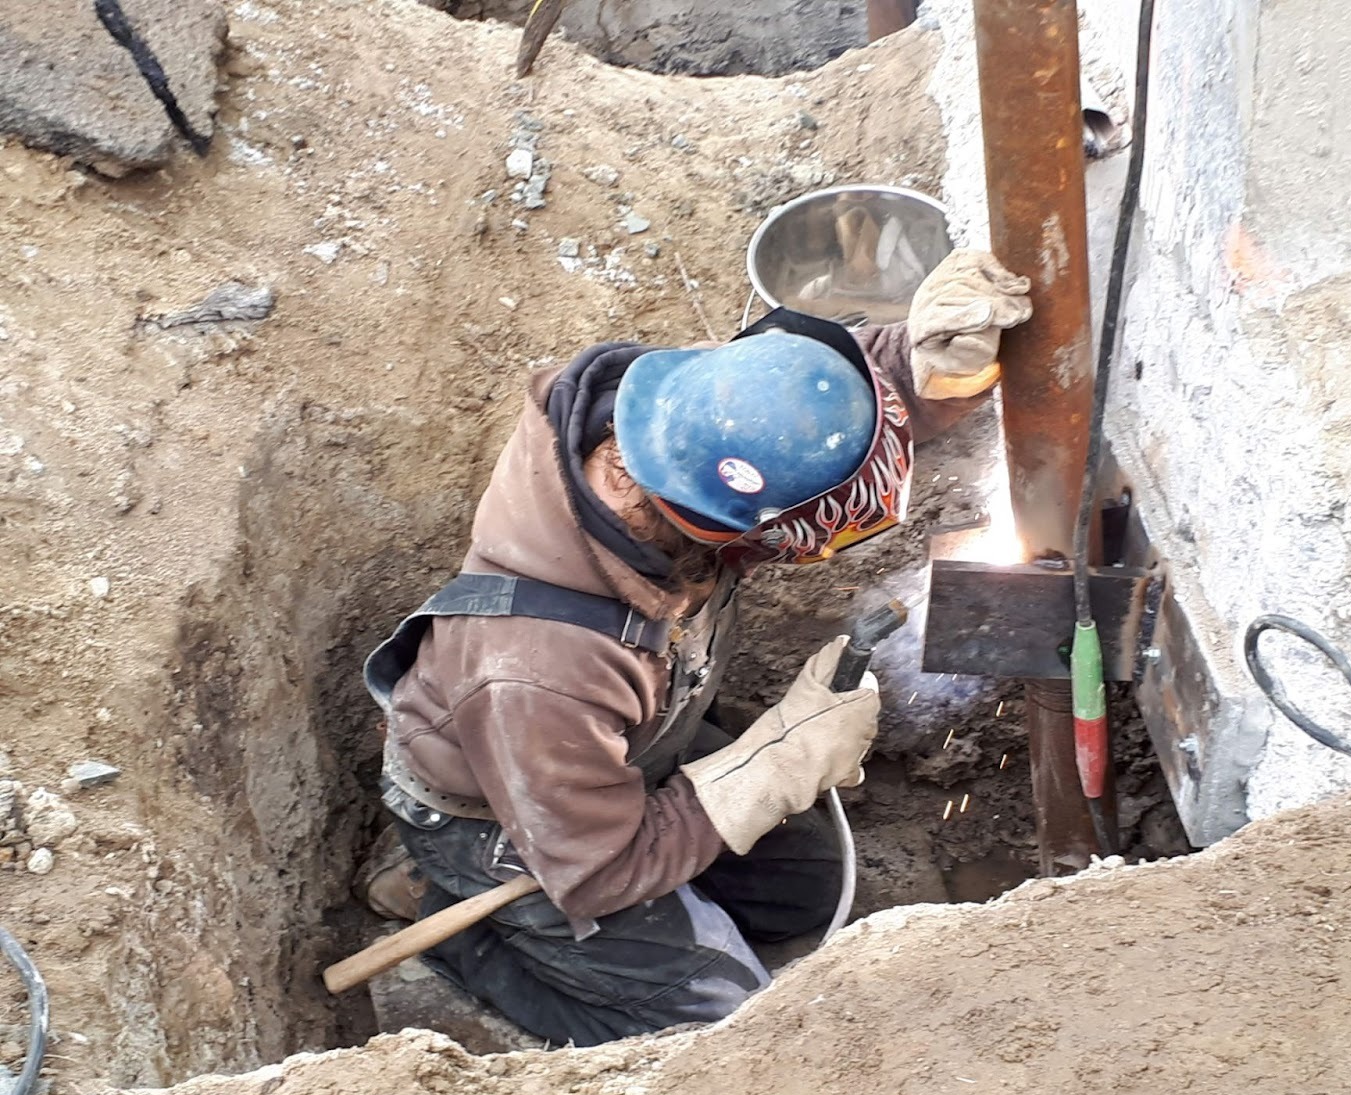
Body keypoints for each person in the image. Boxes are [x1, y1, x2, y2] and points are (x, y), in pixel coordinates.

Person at [357, 250, 1032, 1047]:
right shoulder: (541, 669)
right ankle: (457, 925)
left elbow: (781, 405)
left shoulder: (662, 426)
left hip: (608, 753)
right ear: (722, 516)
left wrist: (918, 366)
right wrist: (771, 767)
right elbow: (605, 869)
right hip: (507, 820)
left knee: (807, 889)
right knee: (725, 1023)